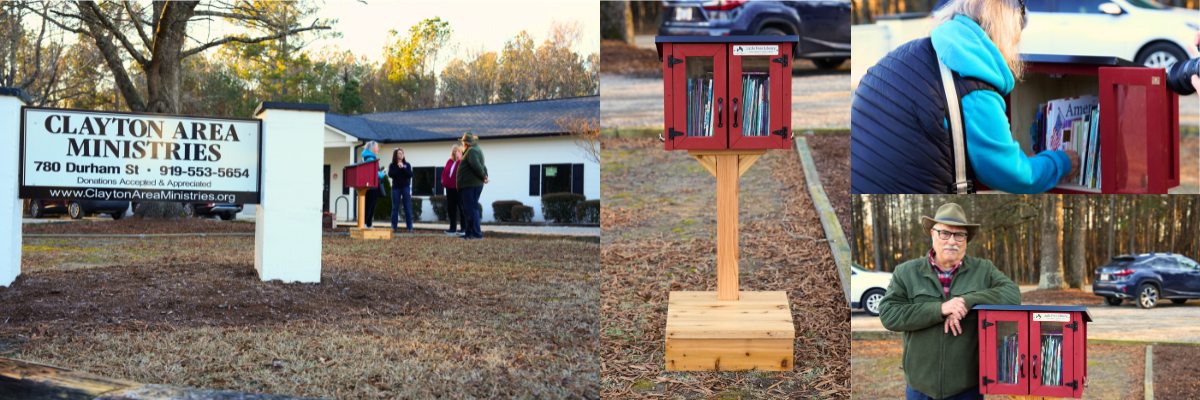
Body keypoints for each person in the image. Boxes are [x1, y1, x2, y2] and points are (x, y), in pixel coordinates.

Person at [851, 0, 1079, 194]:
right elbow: (1015, 175)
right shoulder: (974, 84)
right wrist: (1061, 162)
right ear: (1005, 30)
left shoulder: (914, 52)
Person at [878, 203, 1021, 400]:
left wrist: (967, 300)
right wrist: (940, 309)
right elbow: (888, 315)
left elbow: (1013, 296)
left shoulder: (984, 269)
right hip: (920, 387)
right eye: (944, 233)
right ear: (932, 234)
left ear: (966, 239)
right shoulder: (907, 272)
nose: (951, 241)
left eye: (959, 235)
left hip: (967, 387)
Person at [457, 132, 488, 240]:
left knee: (471, 209)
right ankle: (469, 233)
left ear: (466, 143)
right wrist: (485, 175)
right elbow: (482, 165)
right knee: (470, 209)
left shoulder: (471, 151)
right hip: (470, 185)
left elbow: (477, 166)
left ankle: (475, 234)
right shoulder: (475, 149)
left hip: (471, 185)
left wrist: (484, 176)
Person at [440, 145, 465, 235]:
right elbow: (444, 171)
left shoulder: (463, 161)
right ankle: (452, 228)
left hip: (458, 188)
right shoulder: (449, 161)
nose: (456, 152)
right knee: (451, 208)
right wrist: (443, 179)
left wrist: (459, 159)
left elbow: (462, 170)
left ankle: (463, 228)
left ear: (461, 151)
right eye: (454, 151)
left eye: (458, 150)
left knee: (462, 208)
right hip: (449, 188)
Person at [359, 141, 385, 228]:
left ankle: (368, 224)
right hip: (371, 186)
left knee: (370, 206)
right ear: (372, 148)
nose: (378, 149)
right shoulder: (370, 159)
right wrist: (382, 174)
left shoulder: (366, 157)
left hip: (368, 186)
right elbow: (374, 173)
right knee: (369, 206)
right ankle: (365, 224)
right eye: (376, 147)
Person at [389, 148, 414, 233]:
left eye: (402, 153)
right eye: (399, 153)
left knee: (407, 207)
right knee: (395, 207)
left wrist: (403, 167)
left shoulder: (407, 164)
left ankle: (410, 227)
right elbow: (390, 174)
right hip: (396, 188)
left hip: (405, 187)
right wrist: (398, 168)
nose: (401, 155)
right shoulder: (392, 165)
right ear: (396, 155)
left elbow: (410, 174)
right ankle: (394, 226)